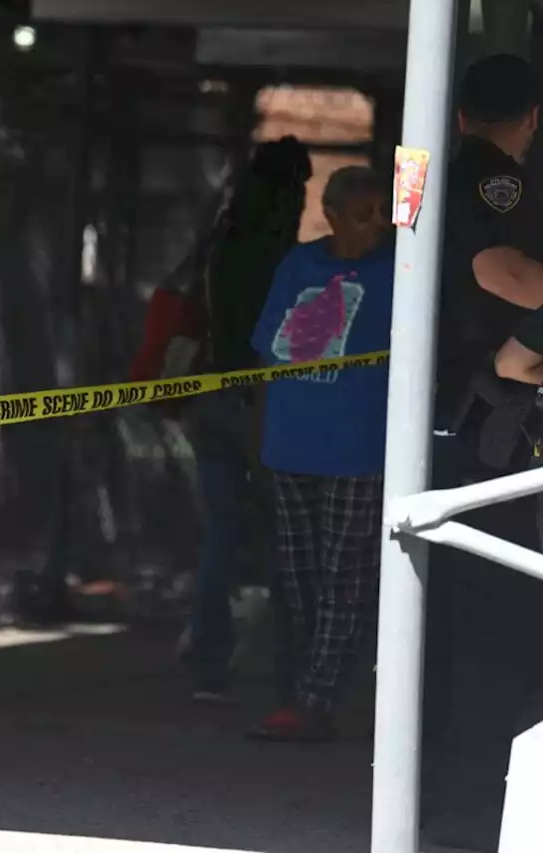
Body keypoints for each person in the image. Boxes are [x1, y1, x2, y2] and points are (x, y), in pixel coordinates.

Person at [424, 52, 543, 852]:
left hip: (487, 435)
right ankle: (468, 816)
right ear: (529, 118)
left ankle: (469, 809)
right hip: (491, 441)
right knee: (490, 632)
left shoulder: (476, 171)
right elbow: (503, 276)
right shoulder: (490, 178)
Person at [142, 137, 310, 702]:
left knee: (222, 531)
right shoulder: (273, 249)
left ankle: (210, 659)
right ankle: (296, 669)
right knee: (285, 532)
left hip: (207, 396)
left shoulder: (218, 238)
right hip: (255, 401)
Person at [242, 165, 393, 743]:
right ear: (330, 215)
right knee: (300, 578)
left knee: (345, 579)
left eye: (384, 212)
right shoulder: (298, 264)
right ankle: (311, 688)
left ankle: (314, 700)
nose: (379, 225)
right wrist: (261, 440)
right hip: (290, 445)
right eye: (364, 214)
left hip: (360, 450)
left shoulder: (400, 270)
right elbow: (265, 357)